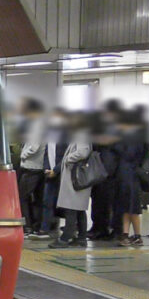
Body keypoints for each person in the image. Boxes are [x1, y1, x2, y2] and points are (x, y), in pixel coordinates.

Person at [50, 112, 93, 249]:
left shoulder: (81, 135)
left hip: (75, 178)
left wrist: (67, 159)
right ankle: (81, 238)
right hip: (75, 179)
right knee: (79, 209)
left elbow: (83, 152)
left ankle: (66, 237)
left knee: (71, 208)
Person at [112, 110, 147, 247]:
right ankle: (125, 233)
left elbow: (128, 154)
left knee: (132, 207)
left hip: (130, 176)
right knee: (126, 206)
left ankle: (137, 235)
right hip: (127, 175)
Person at [88, 100, 122, 241]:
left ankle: (113, 229)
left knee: (110, 202)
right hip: (99, 169)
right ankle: (98, 227)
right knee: (97, 200)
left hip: (110, 172)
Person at [32, 109, 68, 240]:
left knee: (66, 203)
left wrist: (56, 170)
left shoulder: (66, 135)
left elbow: (67, 155)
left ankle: (70, 228)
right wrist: (46, 168)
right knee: (47, 201)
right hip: (50, 173)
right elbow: (47, 152)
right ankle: (44, 228)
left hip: (62, 173)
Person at [18, 99, 47, 237]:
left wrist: (23, 155)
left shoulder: (37, 126)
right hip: (38, 167)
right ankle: (36, 226)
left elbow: (34, 147)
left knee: (22, 197)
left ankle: (27, 226)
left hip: (31, 166)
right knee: (38, 199)